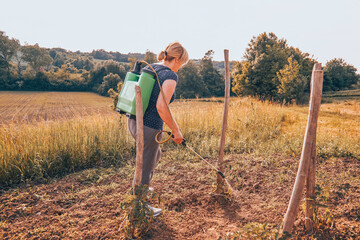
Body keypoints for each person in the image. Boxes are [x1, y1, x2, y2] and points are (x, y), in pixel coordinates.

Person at [127, 42, 189, 216]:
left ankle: (140, 188)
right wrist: (176, 131)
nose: (180, 67)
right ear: (176, 59)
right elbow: (162, 107)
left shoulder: (153, 67)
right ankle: (139, 208)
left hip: (133, 121)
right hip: (149, 127)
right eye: (181, 63)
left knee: (155, 155)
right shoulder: (170, 76)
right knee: (145, 166)